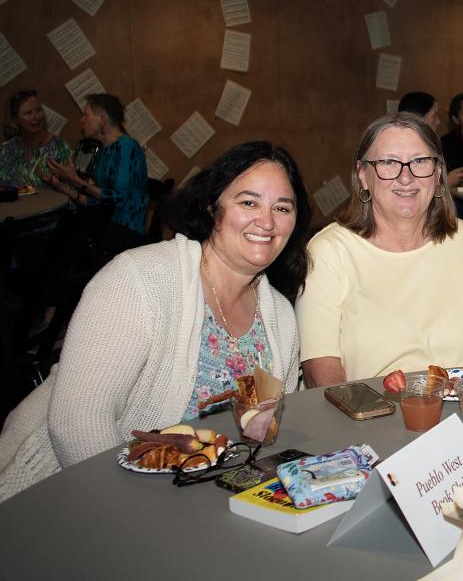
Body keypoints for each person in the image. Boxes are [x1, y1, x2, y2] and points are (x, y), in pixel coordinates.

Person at [0, 142, 311, 501]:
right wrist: (136, 517)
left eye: (282, 208)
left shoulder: (279, 316)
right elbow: (77, 424)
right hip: (76, 495)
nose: (267, 221)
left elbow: (265, 428)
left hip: (202, 498)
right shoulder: (139, 280)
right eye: (248, 202)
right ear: (212, 207)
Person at [297, 113, 463, 385]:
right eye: (388, 162)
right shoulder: (328, 252)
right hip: (368, 419)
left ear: (437, 174)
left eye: (420, 161)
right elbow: (323, 378)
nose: (406, 177)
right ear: (363, 175)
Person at [42, 93, 148, 248]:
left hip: (125, 232)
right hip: (105, 227)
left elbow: (116, 198)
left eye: (86, 115)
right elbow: (95, 202)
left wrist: (75, 180)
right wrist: (59, 185)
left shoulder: (127, 147)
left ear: (103, 120)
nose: (81, 120)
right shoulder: (104, 150)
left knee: (66, 240)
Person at [0, 90, 70, 188]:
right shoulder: (7, 150)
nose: (35, 117)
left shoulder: (59, 147)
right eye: (28, 113)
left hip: (50, 203)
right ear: (16, 119)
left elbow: (69, 189)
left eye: (38, 110)